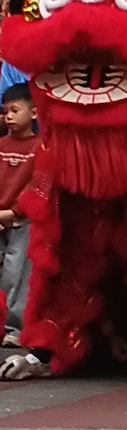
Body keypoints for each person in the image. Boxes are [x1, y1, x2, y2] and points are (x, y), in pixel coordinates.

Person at [0, 83, 38, 347]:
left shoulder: (40, 147)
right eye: (5, 112)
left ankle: (14, 328)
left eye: (15, 110)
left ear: (34, 113)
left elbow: (37, 186)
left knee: (17, 274)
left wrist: (12, 212)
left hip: (21, 220)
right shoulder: (1, 144)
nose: (9, 117)